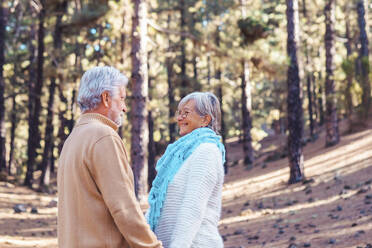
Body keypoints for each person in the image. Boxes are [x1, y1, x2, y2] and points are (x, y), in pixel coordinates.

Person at [58, 66, 162, 248]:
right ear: (106, 98)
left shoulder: (73, 139)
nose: (124, 107)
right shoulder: (103, 136)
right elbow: (123, 207)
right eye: (121, 98)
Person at [146, 92, 226, 247]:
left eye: (186, 113)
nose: (179, 118)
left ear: (205, 119)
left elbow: (192, 207)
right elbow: (159, 204)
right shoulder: (180, 156)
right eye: (179, 113)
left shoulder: (207, 151)